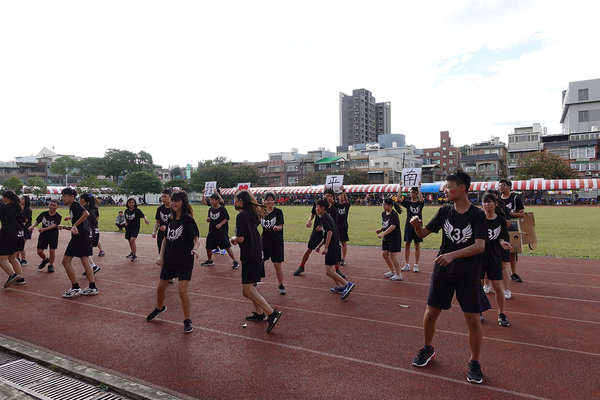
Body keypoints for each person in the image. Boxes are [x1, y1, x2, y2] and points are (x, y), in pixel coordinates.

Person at [409, 171, 490, 384]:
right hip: (443, 271)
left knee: (473, 319)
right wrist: (417, 225)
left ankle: (475, 362)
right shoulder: (444, 212)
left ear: (462, 187)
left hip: (468, 274)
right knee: (430, 313)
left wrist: (453, 254)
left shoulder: (477, 215)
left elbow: (480, 246)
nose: (445, 190)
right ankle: (427, 349)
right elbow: (423, 234)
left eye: (448, 186)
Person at [147, 191, 200, 334]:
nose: (175, 203)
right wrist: (160, 256)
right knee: (160, 289)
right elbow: (165, 239)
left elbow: (196, 239)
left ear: (183, 203)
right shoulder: (170, 219)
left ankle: (187, 320)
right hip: (169, 260)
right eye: (173, 201)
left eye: (177, 201)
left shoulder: (188, 220)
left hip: (184, 261)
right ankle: (159, 308)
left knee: (182, 291)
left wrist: (195, 249)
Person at [230, 190, 282, 333]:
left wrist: (233, 239)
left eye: (236, 199)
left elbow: (240, 238)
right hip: (257, 252)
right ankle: (259, 314)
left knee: (247, 291)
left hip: (250, 255)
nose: (234, 201)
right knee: (251, 287)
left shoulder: (241, 216)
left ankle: (272, 313)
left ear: (241, 201)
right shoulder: (251, 215)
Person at [295, 189, 345, 278]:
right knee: (309, 249)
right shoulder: (318, 204)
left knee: (335, 249)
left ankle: (337, 269)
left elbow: (332, 227)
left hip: (327, 233)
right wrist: (309, 220)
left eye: (331, 196)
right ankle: (301, 266)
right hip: (316, 232)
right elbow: (313, 213)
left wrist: (323, 229)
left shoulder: (333, 210)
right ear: (324, 195)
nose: (329, 197)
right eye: (327, 195)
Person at [59, 187, 97, 298]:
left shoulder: (75, 205)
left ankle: (75, 287)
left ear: (72, 196)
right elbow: (80, 223)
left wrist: (74, 225)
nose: (63, 198)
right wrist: (66, 227)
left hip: (79, 238)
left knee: (65, 262)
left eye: (64, 196)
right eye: (62, 196)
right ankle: (92, 287)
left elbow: (86, 214)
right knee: (85, 260)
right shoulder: (73, 206)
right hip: (86, 236)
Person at [480, 192, 511, 327]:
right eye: (485, 201)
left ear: (495, 203)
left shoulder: (501, 220)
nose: (487, 204)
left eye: (490, 201)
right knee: (478, 285)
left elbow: (501, 236)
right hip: (479, 256)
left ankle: (501, 313)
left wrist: (502, 242)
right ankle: (479, 310)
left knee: (498, 286)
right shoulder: (478, 219)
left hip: (494, 257)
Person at [314, 199, 355, 299]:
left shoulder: (324, 218)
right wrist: (319, 246)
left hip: (332, 248)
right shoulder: (326, 217)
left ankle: (347, 284)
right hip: (336, 246)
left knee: (328, 271)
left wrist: (326, 247)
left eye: (317, 207)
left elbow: (329, 233)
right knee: (332, 270)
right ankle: (339, 287)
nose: (316, 209)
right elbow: (327, 233)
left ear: (322, 208)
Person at [201, 193, 239, 269]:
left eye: (212, 200)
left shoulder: (222, 209)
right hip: (212, 231)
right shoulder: (211, 209)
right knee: (208, 247)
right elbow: (210, 218)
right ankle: (210, 260)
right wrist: (208, 219)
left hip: (221, 232)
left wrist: (220, 224)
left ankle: (235, 261)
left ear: (217, 200)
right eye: (210, 200)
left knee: (227, 246)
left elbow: (226, 218)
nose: (211, 201)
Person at [498, 179, 525, 283]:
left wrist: (508, 213)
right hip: (500, 227)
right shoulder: (497, 199)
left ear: (509, 187)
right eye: (500, 185)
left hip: (512, 226)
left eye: (504, 185)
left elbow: (521, 214)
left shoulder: (515, 198)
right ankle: (500, 272)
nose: (501, 187)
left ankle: (513, 273)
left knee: (512, 251)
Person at [260, 192, 286, 295]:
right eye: (267, 199)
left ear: (274, 201)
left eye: (271, 199)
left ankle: (281, 285)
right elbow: (255, 223)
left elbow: (280, 226)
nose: (269, 201)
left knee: (277, 265)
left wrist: (277, 228)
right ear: (264, 201)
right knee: (259, 261)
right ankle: (255, 280)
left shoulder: (278, 212)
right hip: (264, 241)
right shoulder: (261, 212)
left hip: (276, 242)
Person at [29, 199, 62, 273]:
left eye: (54, 205)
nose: (52, 206)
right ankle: (45, 259)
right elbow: (37, 221)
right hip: (43, 235)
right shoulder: (44, 214)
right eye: (51, 204)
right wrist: (33, 226)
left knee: (52, 251)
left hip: (53, 235)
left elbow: (54, 225)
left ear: (57, 207)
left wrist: (44, 229)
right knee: (39, 251)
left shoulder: (58, 216)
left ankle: (50, 265)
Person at [0, 191, 24, 288]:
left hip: (9, 235)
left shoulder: (5, 208)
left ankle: (12, 275)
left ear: (6, 198)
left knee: (1, 258)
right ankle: (20, 278)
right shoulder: (18, 208)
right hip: (19, 235)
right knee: (12, 258)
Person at [376, 197, 404, 281]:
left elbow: (393, 226)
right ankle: (392, 271)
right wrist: (380, 230)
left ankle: (398, 274)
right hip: (387, 238)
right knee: (384, 254)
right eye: (382, 204)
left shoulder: (394, 214)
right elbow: (385, 224)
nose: (383, 206)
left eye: (385, 205)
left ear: (390, 205)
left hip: (394, 238)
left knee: (392, 256)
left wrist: (383, 234)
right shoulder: (384, 213)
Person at [152, 188, 175, 283]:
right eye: (162, 197)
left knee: (171, 254)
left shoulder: (174, 209)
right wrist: (154, 231)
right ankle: (165, 274)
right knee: (162, 253)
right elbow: (157, 221)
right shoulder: (160, 209)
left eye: (165, 197)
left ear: (170, 197)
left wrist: (168, 228)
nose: (163, 199)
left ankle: (172, 275)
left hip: (172, 235)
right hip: (161, 235)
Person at [401, 184, 424, 273]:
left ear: (417, 193)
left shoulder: (419, 203)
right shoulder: (408, 203)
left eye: (415, 193)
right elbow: (398, 199)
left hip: (418, 227)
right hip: (409, 226)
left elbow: (421, 200)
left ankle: (416, 265)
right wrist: (400, 187)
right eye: (411, 192)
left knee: (417, 245)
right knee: (407, 244)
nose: (413, 194)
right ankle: (406, 264)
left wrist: (419, 188)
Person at [79, 194, 101, 275]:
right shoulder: (92, 209)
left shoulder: (84, 210)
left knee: (84, 252)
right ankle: (91, 267)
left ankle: (93, 267)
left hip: (89, 231)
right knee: (85, 252)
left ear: (83, 199)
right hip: (95, 230)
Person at [124, 198, 149, 262]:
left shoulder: (137, 210)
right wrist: (125, 221)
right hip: (128, 228)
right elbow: (125, 218)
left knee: (132, 240)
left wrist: (145, 219)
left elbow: (143, 216)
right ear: (128, 203)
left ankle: (135, 255)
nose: (131, 204)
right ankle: (132, 252)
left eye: (132, 203)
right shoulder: (126, 211)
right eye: (130, 203)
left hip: (135, 228)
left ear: (135, 203)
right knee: (129, 240)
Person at [334, 187, 351, 266]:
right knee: (336, 243)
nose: (342, 197)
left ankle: (343, 258)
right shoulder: (336, 205)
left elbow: (347, 201)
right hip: (336, 226)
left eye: (343, 195)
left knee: (343, 242)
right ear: (338, 197)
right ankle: (337, 257)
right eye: (340, 195)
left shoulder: (346, 205)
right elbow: (329, 201)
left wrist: (344, 191)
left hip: (343, 226)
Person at [17, 195, 32, 266]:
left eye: (22, 199)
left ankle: (23, 260)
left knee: (21, 245)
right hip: (20, 229)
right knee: (17, 245)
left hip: (25, 229)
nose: (21, 199)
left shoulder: (27, 210)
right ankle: (17, 259)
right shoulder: (19, 209)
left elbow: (25, 221)